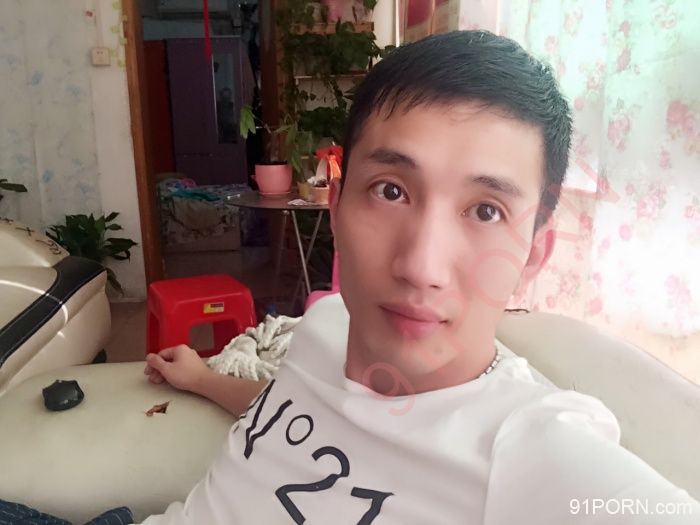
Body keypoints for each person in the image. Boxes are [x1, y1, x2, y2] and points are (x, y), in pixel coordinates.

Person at [140, 31, 699, 524]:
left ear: (532, 255)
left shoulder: (530, 446)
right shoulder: (329, 322)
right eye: (391, 191)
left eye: (486, 211)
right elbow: (301, 413)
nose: (420, 268)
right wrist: (203, 380)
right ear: (335, 206)